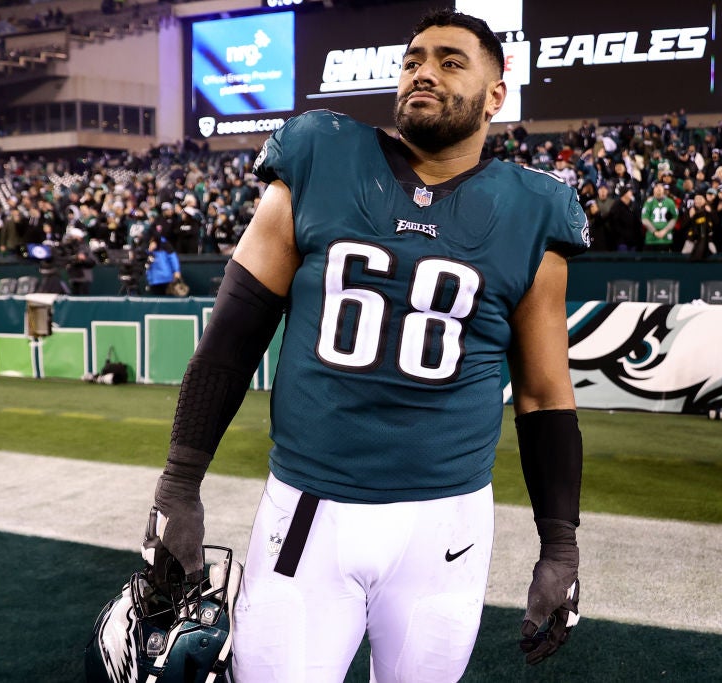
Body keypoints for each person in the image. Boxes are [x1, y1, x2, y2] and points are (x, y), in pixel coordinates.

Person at [140, 10, 587, 681]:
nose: (423, 73)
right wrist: (178, 484)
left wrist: (561, 544)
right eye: (412, 60)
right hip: (307, 511)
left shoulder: (534, 209)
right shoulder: (321, 153)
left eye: (450, 61)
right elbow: (232, 338)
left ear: (497, 93)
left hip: (446, 526)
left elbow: (544, 393)